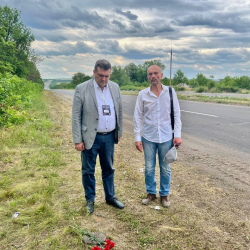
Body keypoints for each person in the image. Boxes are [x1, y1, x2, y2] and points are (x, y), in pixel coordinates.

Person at [72, 59, 124, 214]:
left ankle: (110, 197)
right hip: (90, 137)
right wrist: (77, 139)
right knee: (88, 170)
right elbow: (76, 116)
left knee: (108, 168)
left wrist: (118, 132)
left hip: (109, 137)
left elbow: (119, 110)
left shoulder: (115, 87)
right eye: (101, 75)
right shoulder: (82, 89)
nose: (104, 79)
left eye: (107, 76)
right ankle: (90, 200)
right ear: (94, 72)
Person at [133, 65, 182, 207]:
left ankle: (164, 195)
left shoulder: (170, 92)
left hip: (166, 137)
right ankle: (151, 193)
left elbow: (177, 115)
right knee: (149, 167)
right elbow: (137, 116)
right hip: (148, 137)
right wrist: (137, 137)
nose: (153, 76)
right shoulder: (143, 94)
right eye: (150, 74)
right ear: (148, 77)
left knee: (165, 168)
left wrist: (177, 135)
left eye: (155, 73)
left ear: (161, 75)